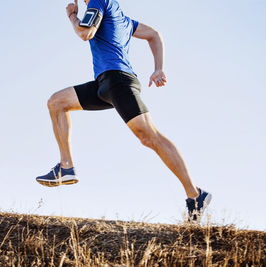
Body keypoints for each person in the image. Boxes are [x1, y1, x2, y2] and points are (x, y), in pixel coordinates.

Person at [36, 0, 212, 221]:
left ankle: (195, 195)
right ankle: (66, 166)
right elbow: (154, 34)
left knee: (149, 137)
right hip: (104, 84)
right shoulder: (124, 20)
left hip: (119, 81)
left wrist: (72, 16)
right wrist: (158, 68)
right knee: (56, 102)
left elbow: (86, 33)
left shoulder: (100, 1)